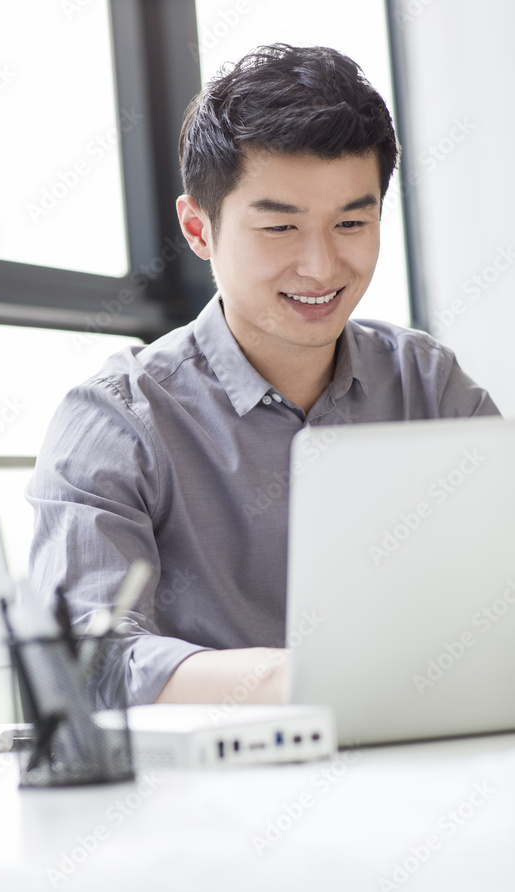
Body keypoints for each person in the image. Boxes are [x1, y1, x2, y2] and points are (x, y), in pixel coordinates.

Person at [26, 44, 499, 709]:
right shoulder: (117, 418)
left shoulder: (425, 383)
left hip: (431, 766)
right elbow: (81, 659)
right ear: (197, 227)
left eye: (352, 223)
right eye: (279, 226)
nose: (320, 265)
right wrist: (312, 682)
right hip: (210, 797)